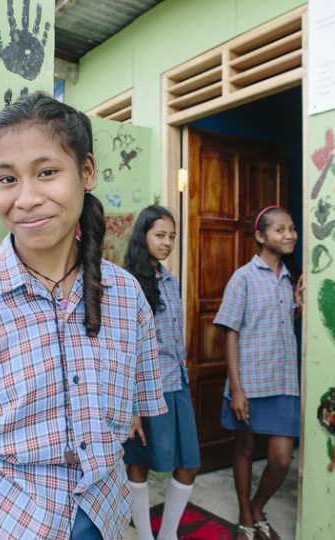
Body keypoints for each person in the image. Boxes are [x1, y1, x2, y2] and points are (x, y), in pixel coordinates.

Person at [0, 92, 167, 540]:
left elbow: (128, 416)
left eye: (47, 173)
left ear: (85, 172)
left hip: (99, 516)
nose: (26, 198)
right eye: (7, 179)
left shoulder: (125, 296)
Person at [213, 205, 305, 540]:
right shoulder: (244, 277)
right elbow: (230, 332)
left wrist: (296, 305)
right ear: (261, 236)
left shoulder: (288, 278)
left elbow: (279, 326)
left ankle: (257, 504)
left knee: (281, 459)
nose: (290, 235)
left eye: (292, 228)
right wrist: (236, 388)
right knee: (245, 450)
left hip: (283, 381)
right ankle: (245, 513)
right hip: (250, 382)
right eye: (280, 230)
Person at [122, 205, 200, 540]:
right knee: (138, 461)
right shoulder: (127, 283)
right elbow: (125, 347)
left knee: (189, 463)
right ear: (143, 236)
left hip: (176, 383)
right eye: (160, 235)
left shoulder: (170, 280)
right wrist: (133, 407)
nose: (167, 242)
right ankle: (144, 535)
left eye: (171, 236)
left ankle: (167, 534)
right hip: (143, 389)